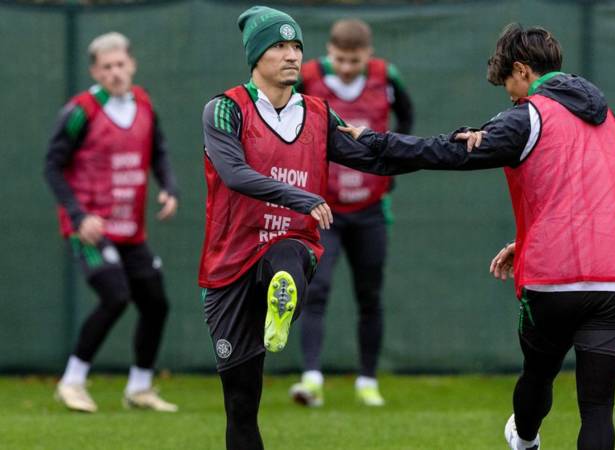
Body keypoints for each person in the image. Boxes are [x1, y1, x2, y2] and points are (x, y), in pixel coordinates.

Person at [339, 24, 615, 450]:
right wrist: (527, 239)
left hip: (552, 279)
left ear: (522, 69)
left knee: (538, 375)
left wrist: (373, 139)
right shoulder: (607, 117)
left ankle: (525, 442)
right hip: (613, 278)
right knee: (597, 409)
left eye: (509, 84)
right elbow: (591, 191)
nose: (511, 95)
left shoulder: (528, 116)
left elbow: (446, 151)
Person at [199, 7, 422, 449]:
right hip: (228, 265)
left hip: (290, 240)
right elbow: (234, 173)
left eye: (296, 46)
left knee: (290, 251)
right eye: (279, 46)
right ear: (257, 55)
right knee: (242, 409)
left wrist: (458, 147)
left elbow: (374, 151)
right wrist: (303, 197)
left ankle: (283, 295)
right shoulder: (224, 110)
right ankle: (281, 299)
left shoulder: (318, 113)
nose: (291, 55)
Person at [44, 32, 179, 413]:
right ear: (94, 71)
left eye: (121, 64)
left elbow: (160, 151)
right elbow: (52, 166)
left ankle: (140, 388)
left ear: (132, 64)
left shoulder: (144, 104)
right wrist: (78, 216)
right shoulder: (80, 112)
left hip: (130, 230)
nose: (116, 73)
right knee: (116, 296)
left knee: (156, 303)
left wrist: (169, 187)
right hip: (90, 227)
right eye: (107, 67)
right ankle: (71, 382)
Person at [290, 18, 415, 407]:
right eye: (340, 59)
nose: (347, 67)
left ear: (369, 54)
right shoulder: (307, 77)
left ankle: (366, 380)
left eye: (354, 59)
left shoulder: (385, 77)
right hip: (322, 207)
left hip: (371, 207)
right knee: (316, 288)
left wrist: (392, 164)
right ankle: (311, 378)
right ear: (329, 52)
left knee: (369, 294)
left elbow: (407, 118)